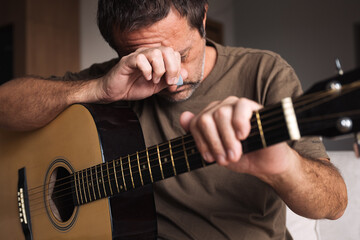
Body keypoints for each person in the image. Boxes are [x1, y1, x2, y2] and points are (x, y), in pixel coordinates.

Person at [0, 0, 347, 239]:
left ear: (204, 19)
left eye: (181, 55)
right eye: (145, 57)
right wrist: (96, 90)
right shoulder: (114, 78)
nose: (171, 77)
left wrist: (282, 166)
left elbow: (334, 203)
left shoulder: (263, 72)